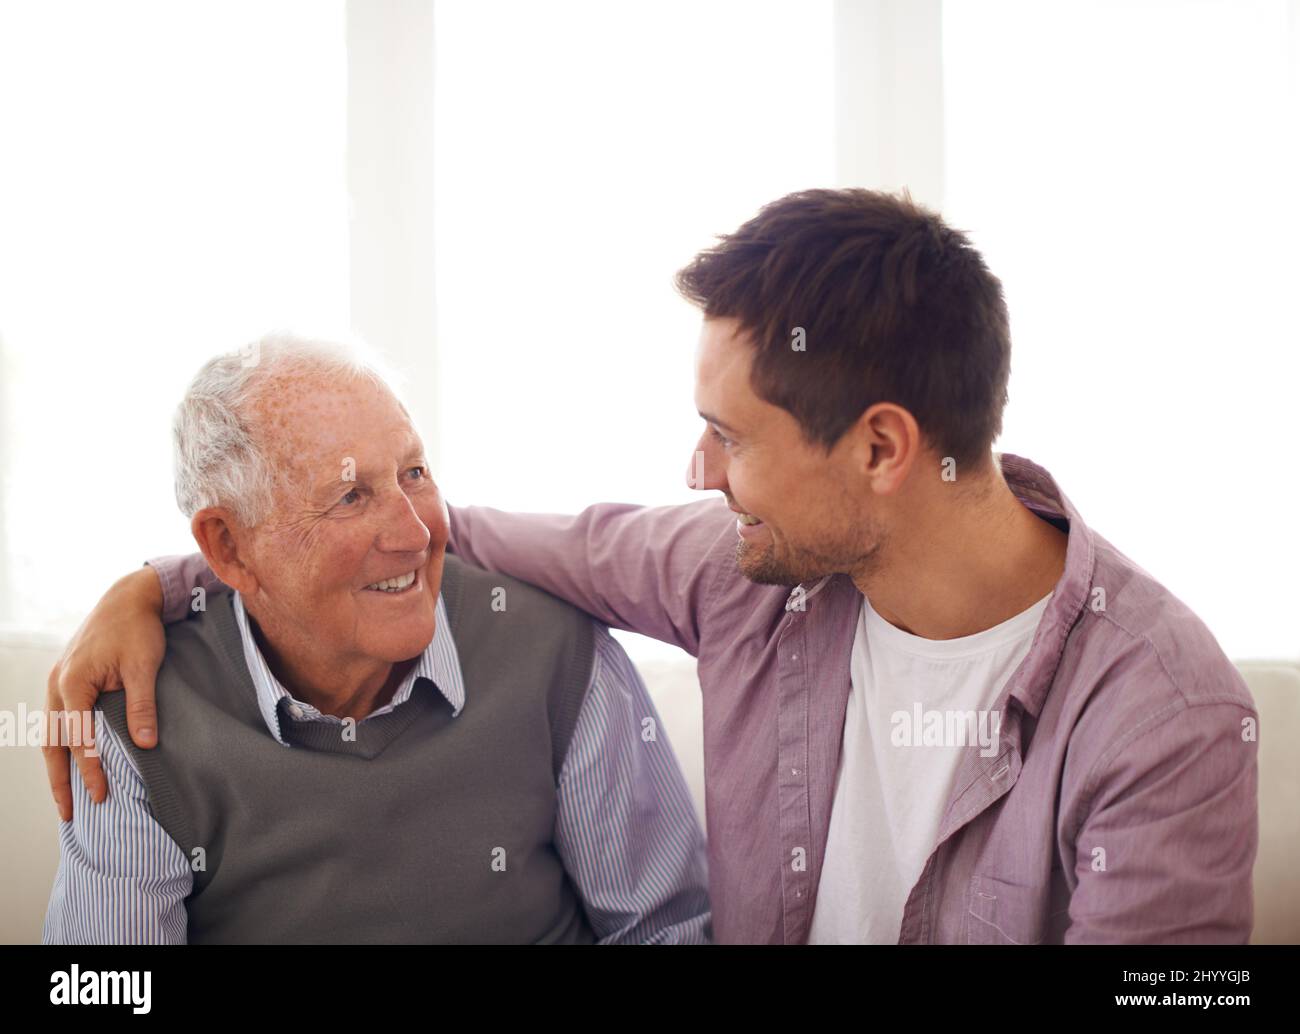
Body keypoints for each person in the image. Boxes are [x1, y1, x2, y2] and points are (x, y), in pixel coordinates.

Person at [48, 189, 1257, 944]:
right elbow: (424, 530)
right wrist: (169, 583)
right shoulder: (740, 569)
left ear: (883, 446)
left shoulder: (1165, 711)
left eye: (729, 437)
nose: (693, 469)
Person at [43, 334, 710, 944]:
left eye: (414, 474)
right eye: (351, 496)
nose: (415, 535)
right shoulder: (136, 720)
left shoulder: (558, 653)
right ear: (229, 546)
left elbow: (664, 931)